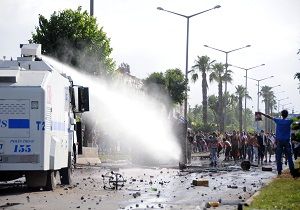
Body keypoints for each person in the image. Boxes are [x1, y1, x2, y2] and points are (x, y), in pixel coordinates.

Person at [258, 110, 297, 177]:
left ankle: (279, 170)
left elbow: (269, 117)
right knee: (289, 156)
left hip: (279, 141)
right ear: (287, 115)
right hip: (287, 141)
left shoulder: (278, 120)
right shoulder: (289, 121)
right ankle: (292, 170)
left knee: (278, 156)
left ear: (281, 115)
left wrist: (262, 113)